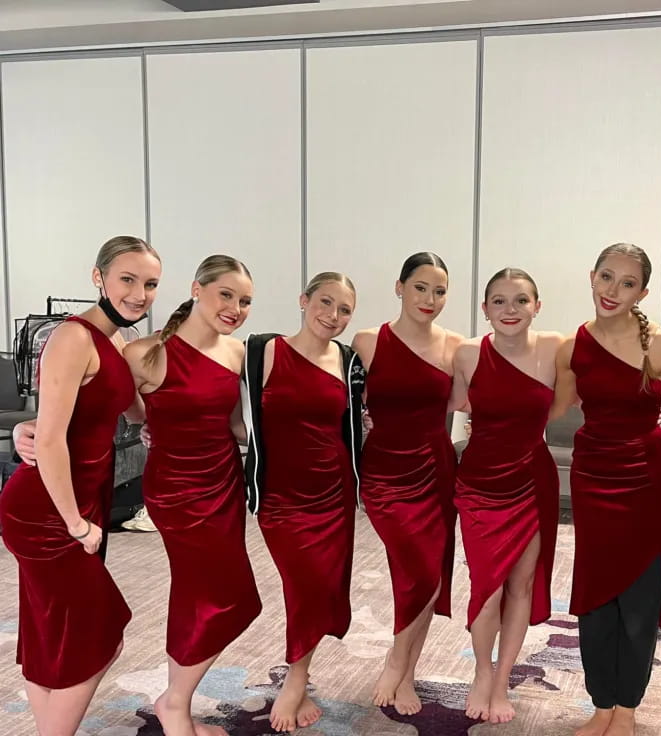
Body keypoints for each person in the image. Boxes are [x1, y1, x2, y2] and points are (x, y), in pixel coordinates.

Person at [0, 235, 161, 736]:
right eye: (127, 280)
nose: (139, 293)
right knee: (103, 630)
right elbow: (48, 440)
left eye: (150, 284)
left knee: (53, 633)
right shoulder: (73, 337)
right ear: (99, 279)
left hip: (81, 501)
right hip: (49, 510)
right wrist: (76, 525)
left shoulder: (114, 341)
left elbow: (131, 408)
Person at [123, 254, 262, 736]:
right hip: (176, 491)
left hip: (224, 483)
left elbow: (237, 426)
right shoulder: (143, 353)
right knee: (202, 593)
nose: (236, 307)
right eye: (227, 294)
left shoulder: (237, 352)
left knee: (236, 597)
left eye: (245, 301)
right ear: (197, 289)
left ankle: (173, 699)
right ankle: (176, 707)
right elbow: (131, 415)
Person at [552, 243, 661, 736]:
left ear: (643, 292)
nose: (613, 291)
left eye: (627, 283)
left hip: (650, 477)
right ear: (591, 276)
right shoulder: (571, 346)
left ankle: (627, 709)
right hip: (593, 474)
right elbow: (554, 407)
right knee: (595, 593)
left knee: (641, 595)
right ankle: (601, 703)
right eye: (606, 277)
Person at [241, 272, 365, 732]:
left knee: (318, 588)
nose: (333, 316)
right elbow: (227, 412)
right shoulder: (262, 351)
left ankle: (297, 677)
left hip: (332, 493)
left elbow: (356, 421)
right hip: (280, 495)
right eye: (325, 303)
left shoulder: (349, 360)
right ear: (303, 300)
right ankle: (297, 677)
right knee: (304, 582)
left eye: (345, 309)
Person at [351, 252, 463, 715]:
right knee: (415, 566)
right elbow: (331, 401)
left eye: (439, 291)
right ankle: (397, 662)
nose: (429, 299)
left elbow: (484, 399)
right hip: (384, 474)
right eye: (420, 287)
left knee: (430, 576)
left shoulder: (456, 346)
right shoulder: (366, 341)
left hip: (436, 470)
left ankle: (407, 672)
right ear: (399, 288)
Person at [451, 267, 562, 724]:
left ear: (538, 306)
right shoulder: (467, 353)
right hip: (479, 485)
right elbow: (452, 402)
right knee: (487, 587)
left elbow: (604, 379)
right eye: (499, 301)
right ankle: (482, 672)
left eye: (520, 300)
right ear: (485, 309)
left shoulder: (558, 348)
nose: (510, 310)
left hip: (533, 481)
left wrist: (648, 407)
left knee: (520, 585)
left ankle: (502, 681)